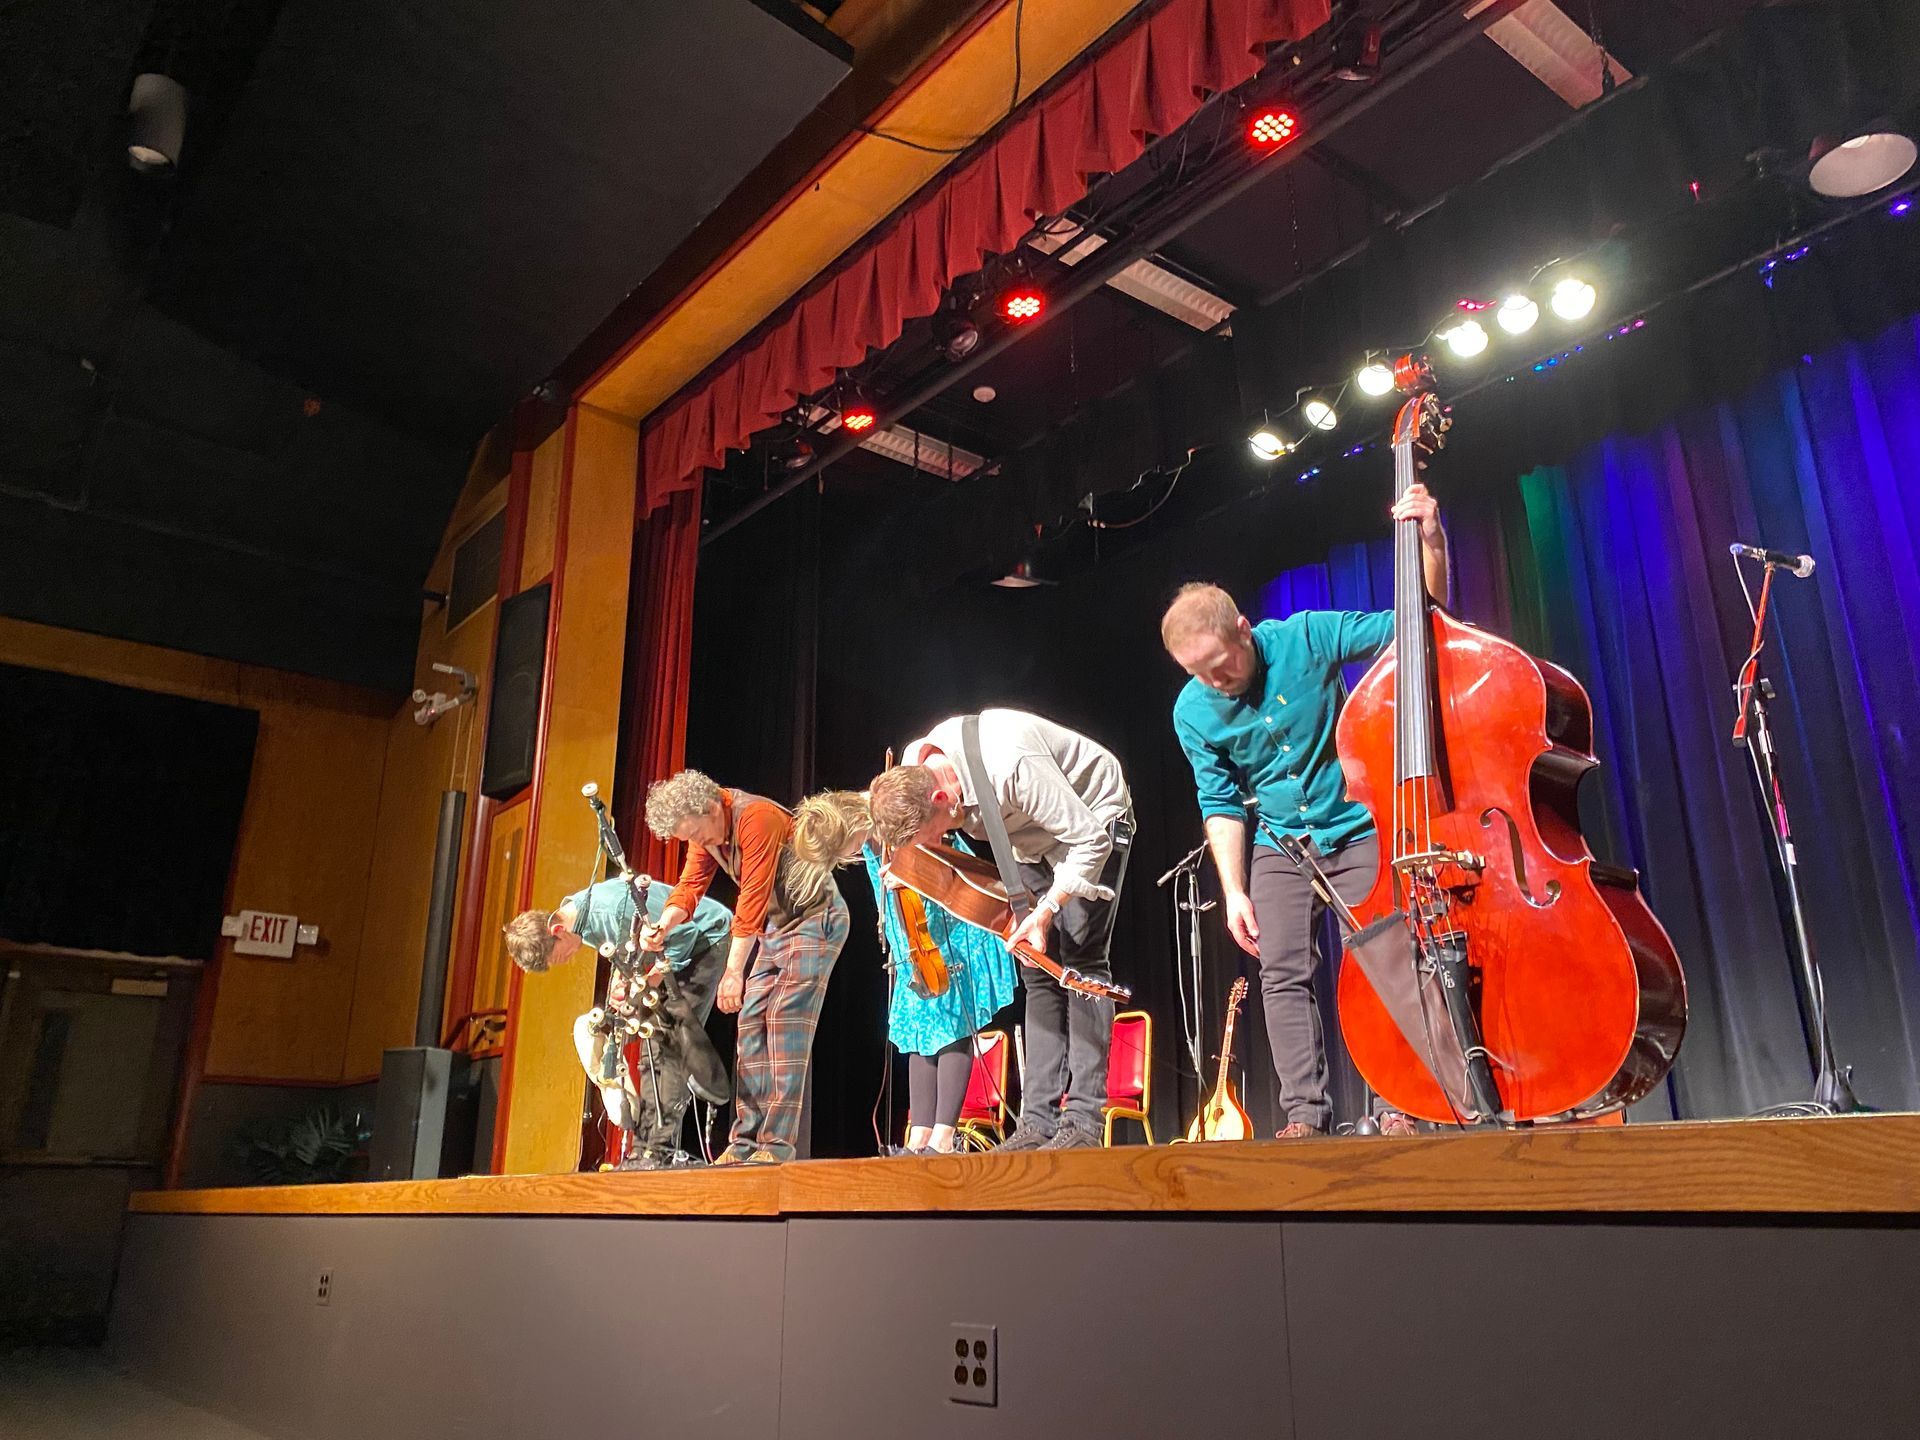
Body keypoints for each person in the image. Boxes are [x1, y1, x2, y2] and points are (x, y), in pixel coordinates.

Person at [1161, 481, 1448, 1139]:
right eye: (1195, 673)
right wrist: (1233, 890)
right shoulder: (1192, 711)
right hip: (1281, 845)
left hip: (1356, 827)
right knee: (1281, 974)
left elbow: (1418, 622)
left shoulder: (1307, 636)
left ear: (1243, 629)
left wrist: (1430, 540)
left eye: (1218, 665)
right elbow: (1221, 800)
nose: (1212, 682)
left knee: (1384, 964)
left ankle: (1404, 1105)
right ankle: (1306, 1121)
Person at [868, 709, 1133, 1152]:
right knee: (1035, 969)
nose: (935, 845)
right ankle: (1037, 1121)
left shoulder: (1012, 765)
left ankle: (1084, 1118)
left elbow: (1092, 841)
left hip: (1091, 819)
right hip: (1025, 841)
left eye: (931, 836)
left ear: (939, 799)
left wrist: (1047, 910)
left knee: (1082, 961)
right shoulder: (916, 764)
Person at [791, 791, 1016, 1155]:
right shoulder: (870, 839)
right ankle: (920, 1134)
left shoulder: (897, 814)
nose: (848, 856)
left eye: (843, 848)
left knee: (952, 1025)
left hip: (951, 929)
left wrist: (913, 875)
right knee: (917, 1032)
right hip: (914, 941)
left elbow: (947, 863)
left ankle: (944, 1136)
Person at [643, 769, 849, 1165]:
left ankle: (774, 1147)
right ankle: (744, 1142)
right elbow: (689, 887)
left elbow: (752, 900)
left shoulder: (755, 817)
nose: (700, 844)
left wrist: (734, 971)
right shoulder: (709, 827)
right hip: (776, 926)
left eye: (698, 835)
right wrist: (663, 925)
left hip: (813, 920)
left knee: (784, 1020)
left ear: (710, 808)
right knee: (751, 1020)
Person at [502, 878, 732, 1167]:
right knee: (648, 1038)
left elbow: (683, 934)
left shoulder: (611, 910)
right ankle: (644, 1148)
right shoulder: (580, 919)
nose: (563, 961)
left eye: (556, 957)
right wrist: (622, 983)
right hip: (675, 949)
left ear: (557, 930)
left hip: (705, 939)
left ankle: (657, 1152)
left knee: (670, 1046)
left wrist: (651, 980)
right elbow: (627, 948)